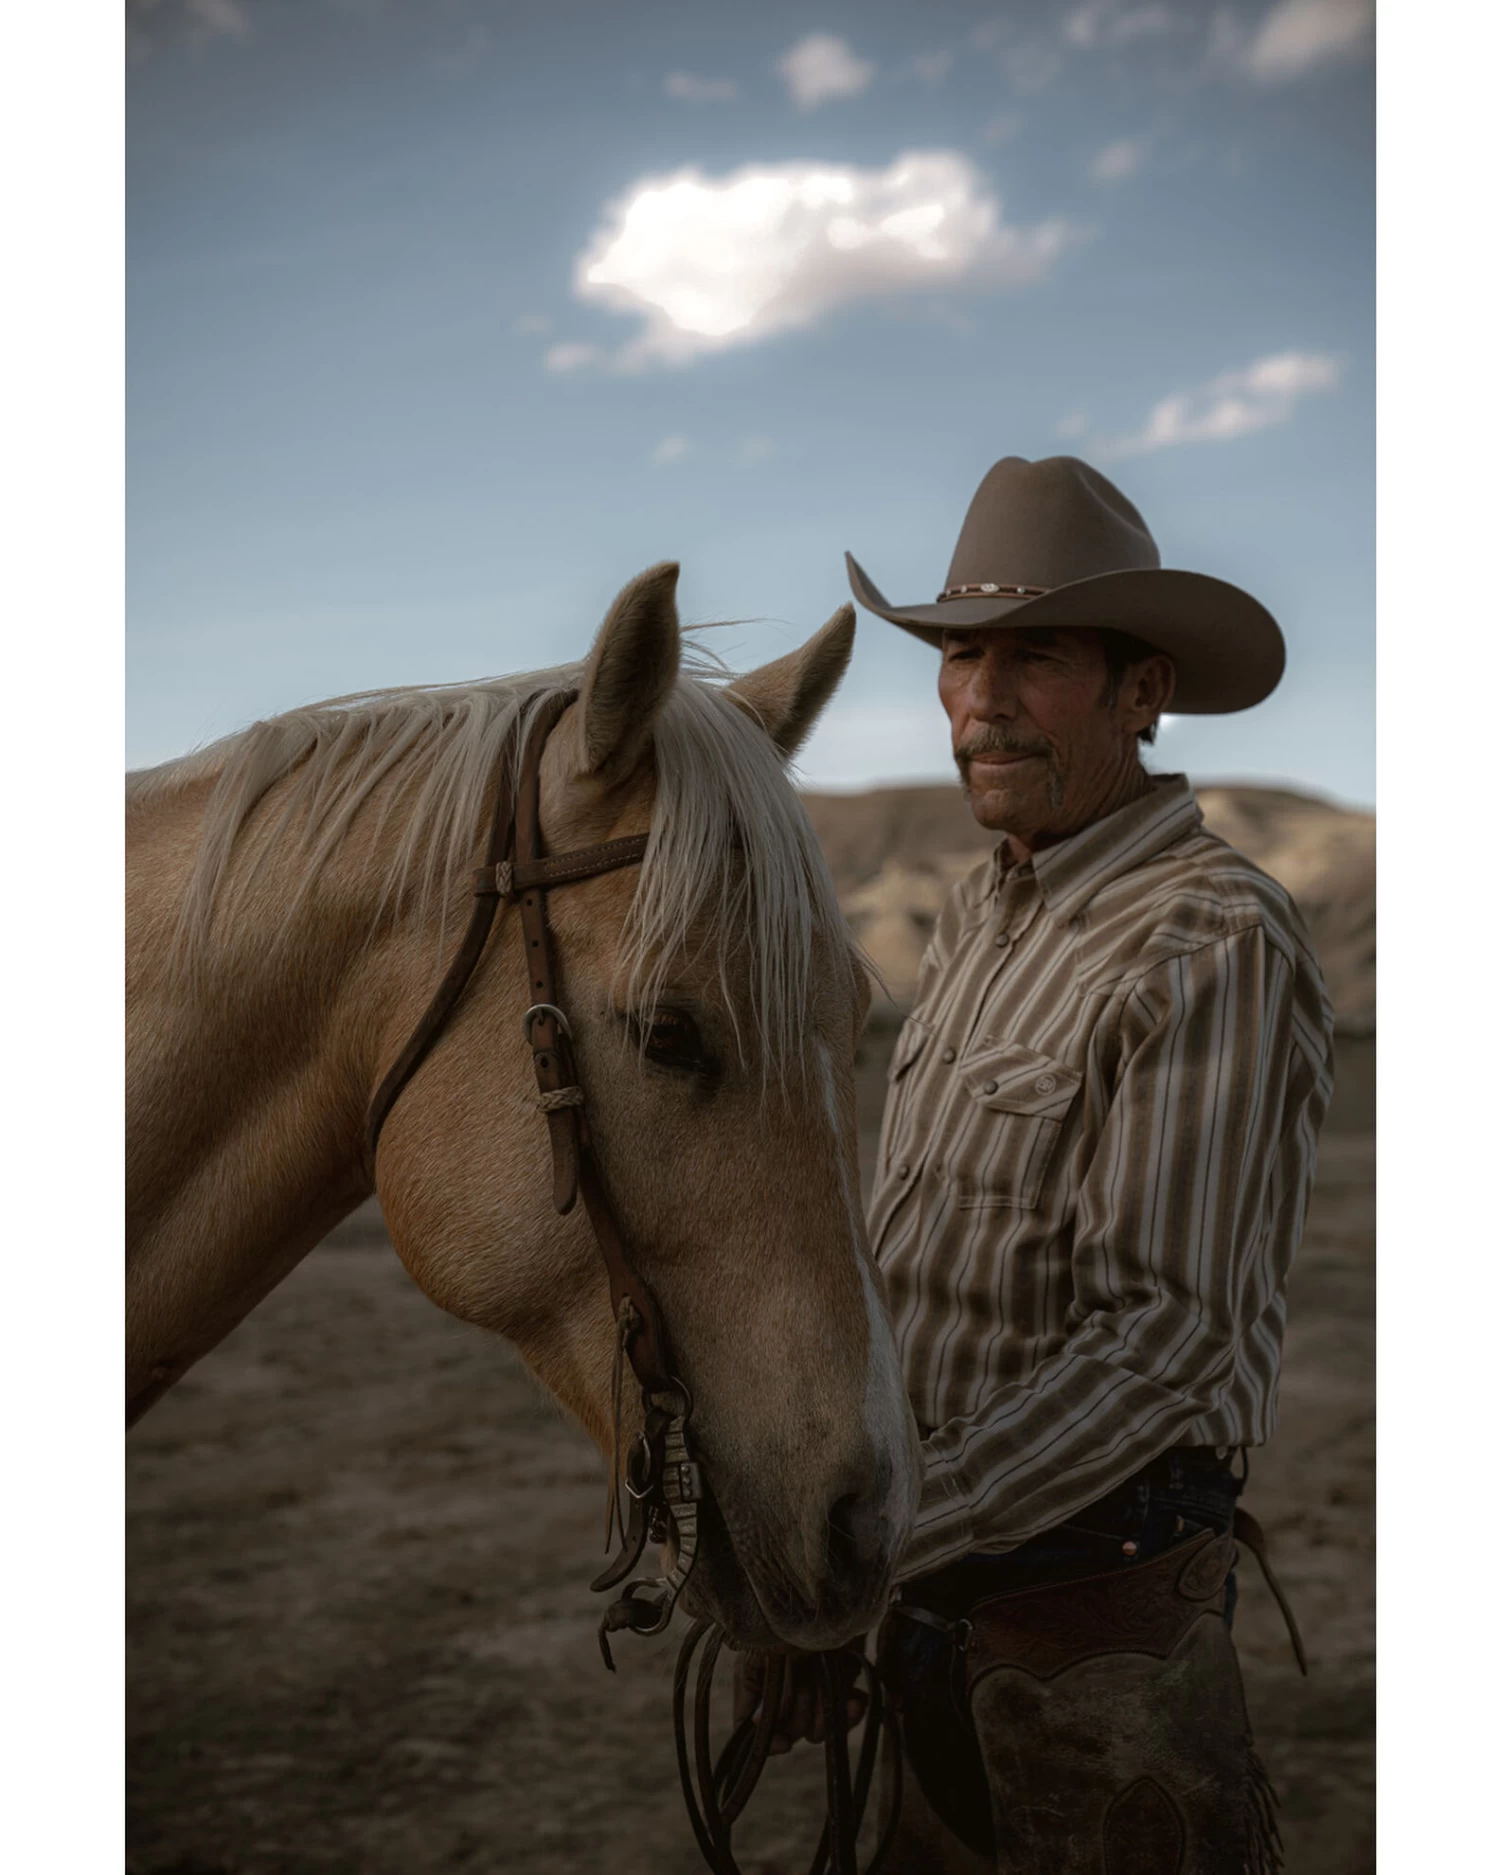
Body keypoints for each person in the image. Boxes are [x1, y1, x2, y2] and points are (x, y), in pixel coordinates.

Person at [736, 455, 1335, 1873]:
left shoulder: (1210, 937)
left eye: (1038, 656)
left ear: (1142, 691)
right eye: (959, 655)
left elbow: (1168, 1337)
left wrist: (873, 1542)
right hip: (934, 1582)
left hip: (1093, 1611)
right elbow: (917, 1265)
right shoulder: (974, 914)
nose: (982, 699)